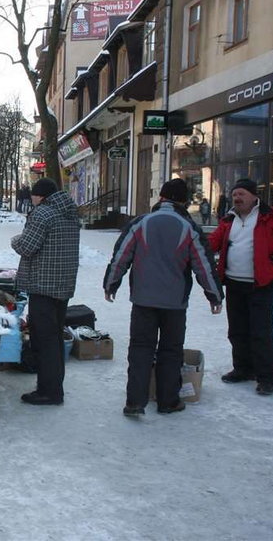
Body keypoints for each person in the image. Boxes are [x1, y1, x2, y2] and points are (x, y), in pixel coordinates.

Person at [104, 178, 224, 417]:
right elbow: (203, 265)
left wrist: (111, 284)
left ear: (161, 198)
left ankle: (135, 402)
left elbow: (121, 257)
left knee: (140, 348)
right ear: (184, 201)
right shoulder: (189, 227)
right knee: (171, 350)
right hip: (174, 303)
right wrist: (215, 295)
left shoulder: (141, 223)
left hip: (143, 301)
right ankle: (168, 401)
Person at [208, 178, 273, 396]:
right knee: (237, 330)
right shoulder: (228, 219)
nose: (237, 198)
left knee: (261, 331)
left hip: (261, 283)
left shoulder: (272, 216)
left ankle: (266, 378)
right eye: (235, 194)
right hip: (233, 282)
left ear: (254, 196)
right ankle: (243, 368)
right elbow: (212, 243)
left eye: (241, 194)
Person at [11, 177, 80, 406]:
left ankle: (49, 392)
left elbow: (26, 247)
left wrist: (15, 239)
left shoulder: (43, 214)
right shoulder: (69, 213)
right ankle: (54, 386)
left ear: (40, 196)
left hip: (43, 285)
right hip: (62, 285)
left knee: (45, 340)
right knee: (56, 337)